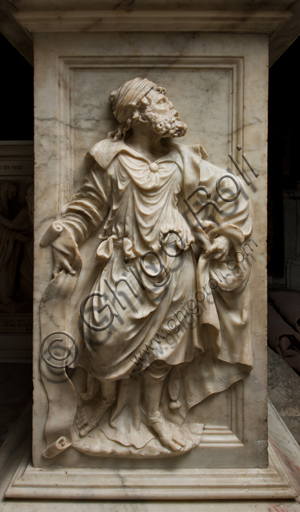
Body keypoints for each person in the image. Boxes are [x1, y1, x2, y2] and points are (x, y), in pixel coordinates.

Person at [41, 78, 253, 457]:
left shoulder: (184, 160)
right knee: (101, 336)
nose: (170, 107)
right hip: (125, 266)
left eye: (168, 100)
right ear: (136, 115)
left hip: (176, 267)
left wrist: (228, 237)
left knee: (166, 350)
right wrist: (65, 232)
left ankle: (155, 416)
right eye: (159, 102)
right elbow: (88, 208)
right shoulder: (111, 158)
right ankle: (104, 400)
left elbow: (231, 191)